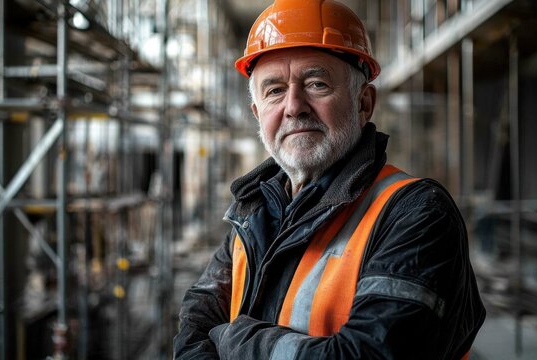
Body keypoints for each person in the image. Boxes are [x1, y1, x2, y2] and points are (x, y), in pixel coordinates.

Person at [174, 0, 486, 358]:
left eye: (317, 83)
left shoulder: (417, 214)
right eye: (274, 90)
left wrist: (237, 340)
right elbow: (196, 318)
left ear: (364, 103)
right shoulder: (252, 214)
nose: (294, 106)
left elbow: (368, 354)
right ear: (257, 114)